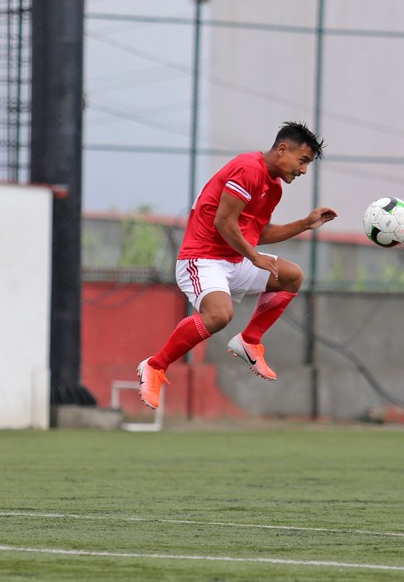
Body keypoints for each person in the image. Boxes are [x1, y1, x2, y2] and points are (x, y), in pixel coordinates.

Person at [136, 121, 337, 409]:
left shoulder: (274, 187)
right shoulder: (248, 168)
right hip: (202, 258)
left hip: (233, 259)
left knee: (292, 276)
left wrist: (305, 224)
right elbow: (224, 222)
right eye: (302, 161)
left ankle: (249, 340)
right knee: (219, 315)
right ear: (282, 149)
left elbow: (256, 233)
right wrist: (254, 257)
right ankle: (155, 366)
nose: (304, 170)